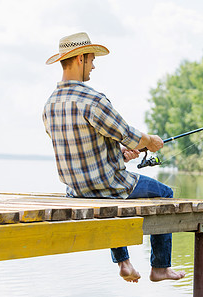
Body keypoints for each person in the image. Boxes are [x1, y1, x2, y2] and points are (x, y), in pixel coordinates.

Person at [43, 32, 185, 283]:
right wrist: (150, 141)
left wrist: (118, 155)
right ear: (79, 59)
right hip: (108, 185)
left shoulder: (50, 104)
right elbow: (129, 134)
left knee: (111, 198)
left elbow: (79, 148)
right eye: (91, 59)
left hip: (75, 190)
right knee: (165, 194)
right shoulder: (92, 100)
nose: (94, 65)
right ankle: (160, 267)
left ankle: (124, 262)